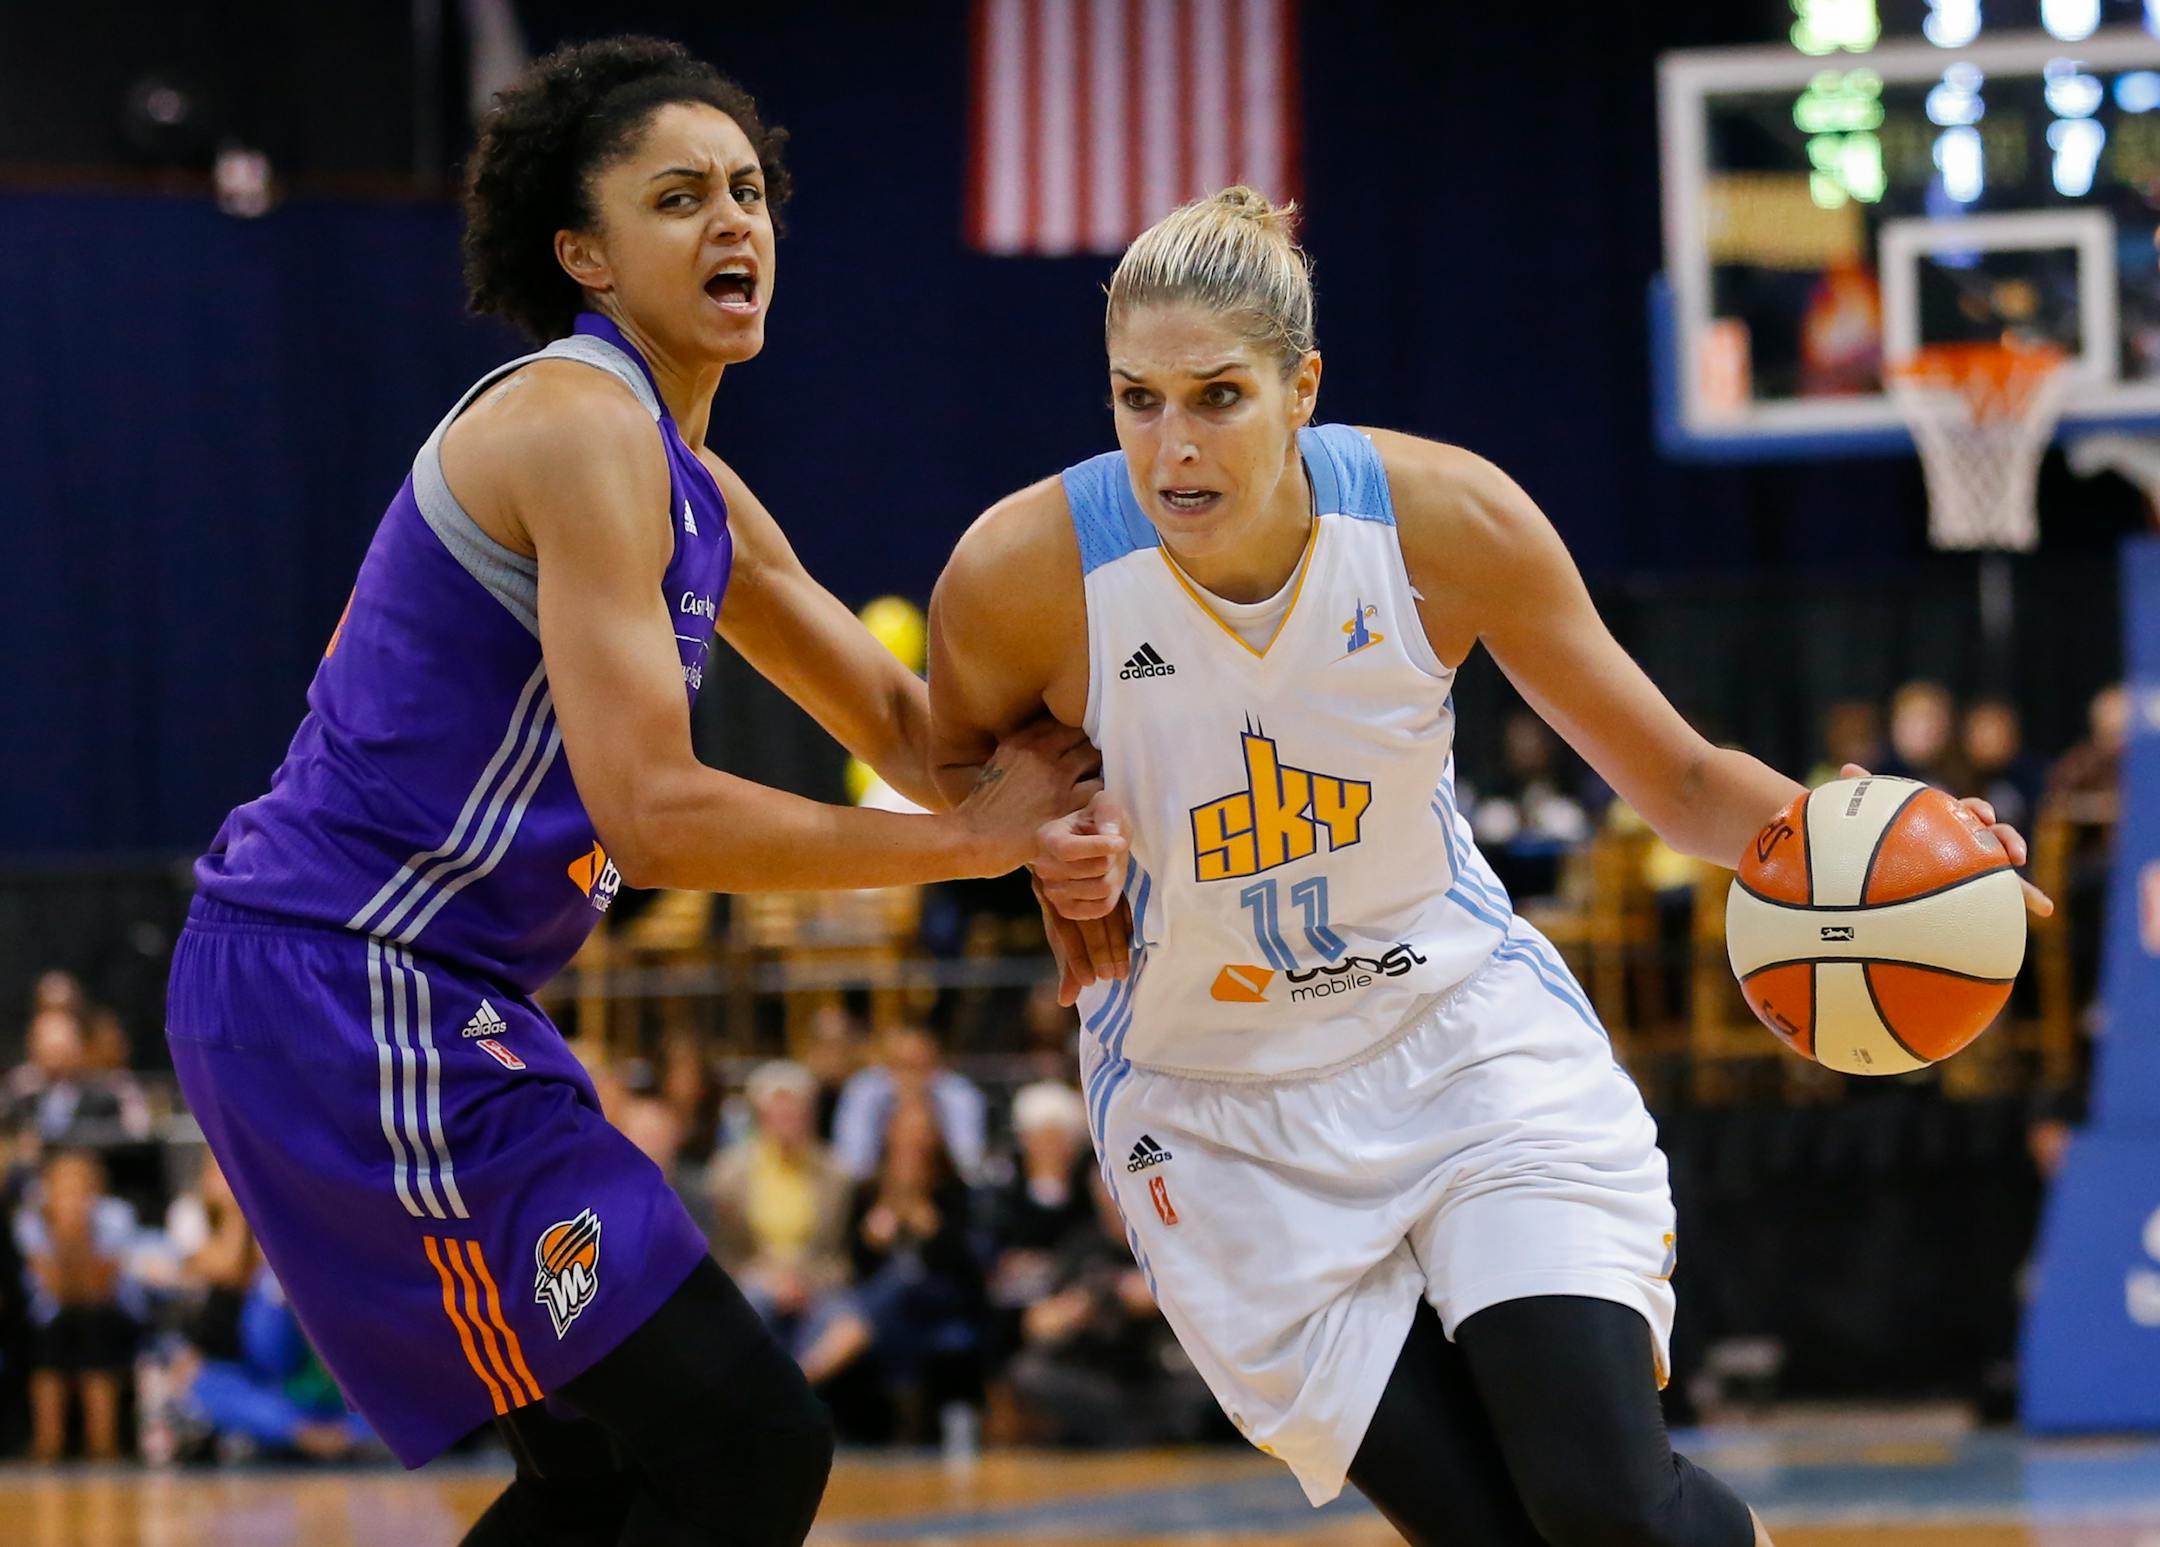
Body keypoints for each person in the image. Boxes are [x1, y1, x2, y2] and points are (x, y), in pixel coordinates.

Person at [926, 188, 2052, 1547]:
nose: (1172, 449)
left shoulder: (1443, 523)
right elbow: (959, 794)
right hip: (1210, 1106)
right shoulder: (1019, 576)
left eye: (1217, 397)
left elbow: (1684, 780)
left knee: (1603, 1509)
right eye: (1136, 399)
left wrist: (1873, 855)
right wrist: (1043, 856)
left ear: (1303, 389)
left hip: (1457, 1045)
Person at [162, 36, 1107, 1547]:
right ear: (584, 253)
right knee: (746, 1440)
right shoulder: (574, 424)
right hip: (348, 981)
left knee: (615, 1473)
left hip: (396, 993)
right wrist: (971, 844)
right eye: (678, 199)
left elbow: (907, 720)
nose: (733, 222)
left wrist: (1092, 790)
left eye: (747, 190)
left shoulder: (690, 483)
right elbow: (655, 814)